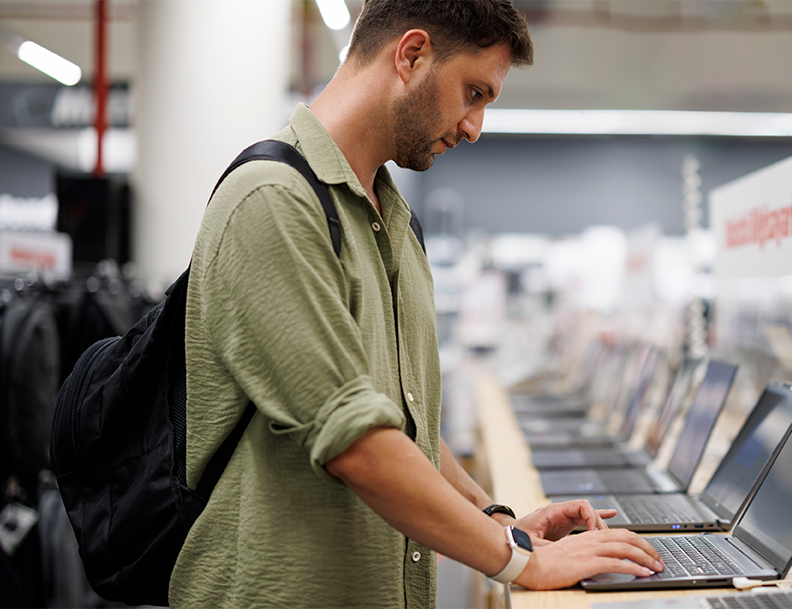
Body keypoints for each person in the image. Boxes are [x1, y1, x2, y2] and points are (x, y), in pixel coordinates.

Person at [174, 1, 662, 607]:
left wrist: (497, 518)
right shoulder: (273, 201)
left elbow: (406, 425)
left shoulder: (395, 222)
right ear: (410, 55)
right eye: (473, 92)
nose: (475, 126)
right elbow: (359, 443)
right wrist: (521, 564)